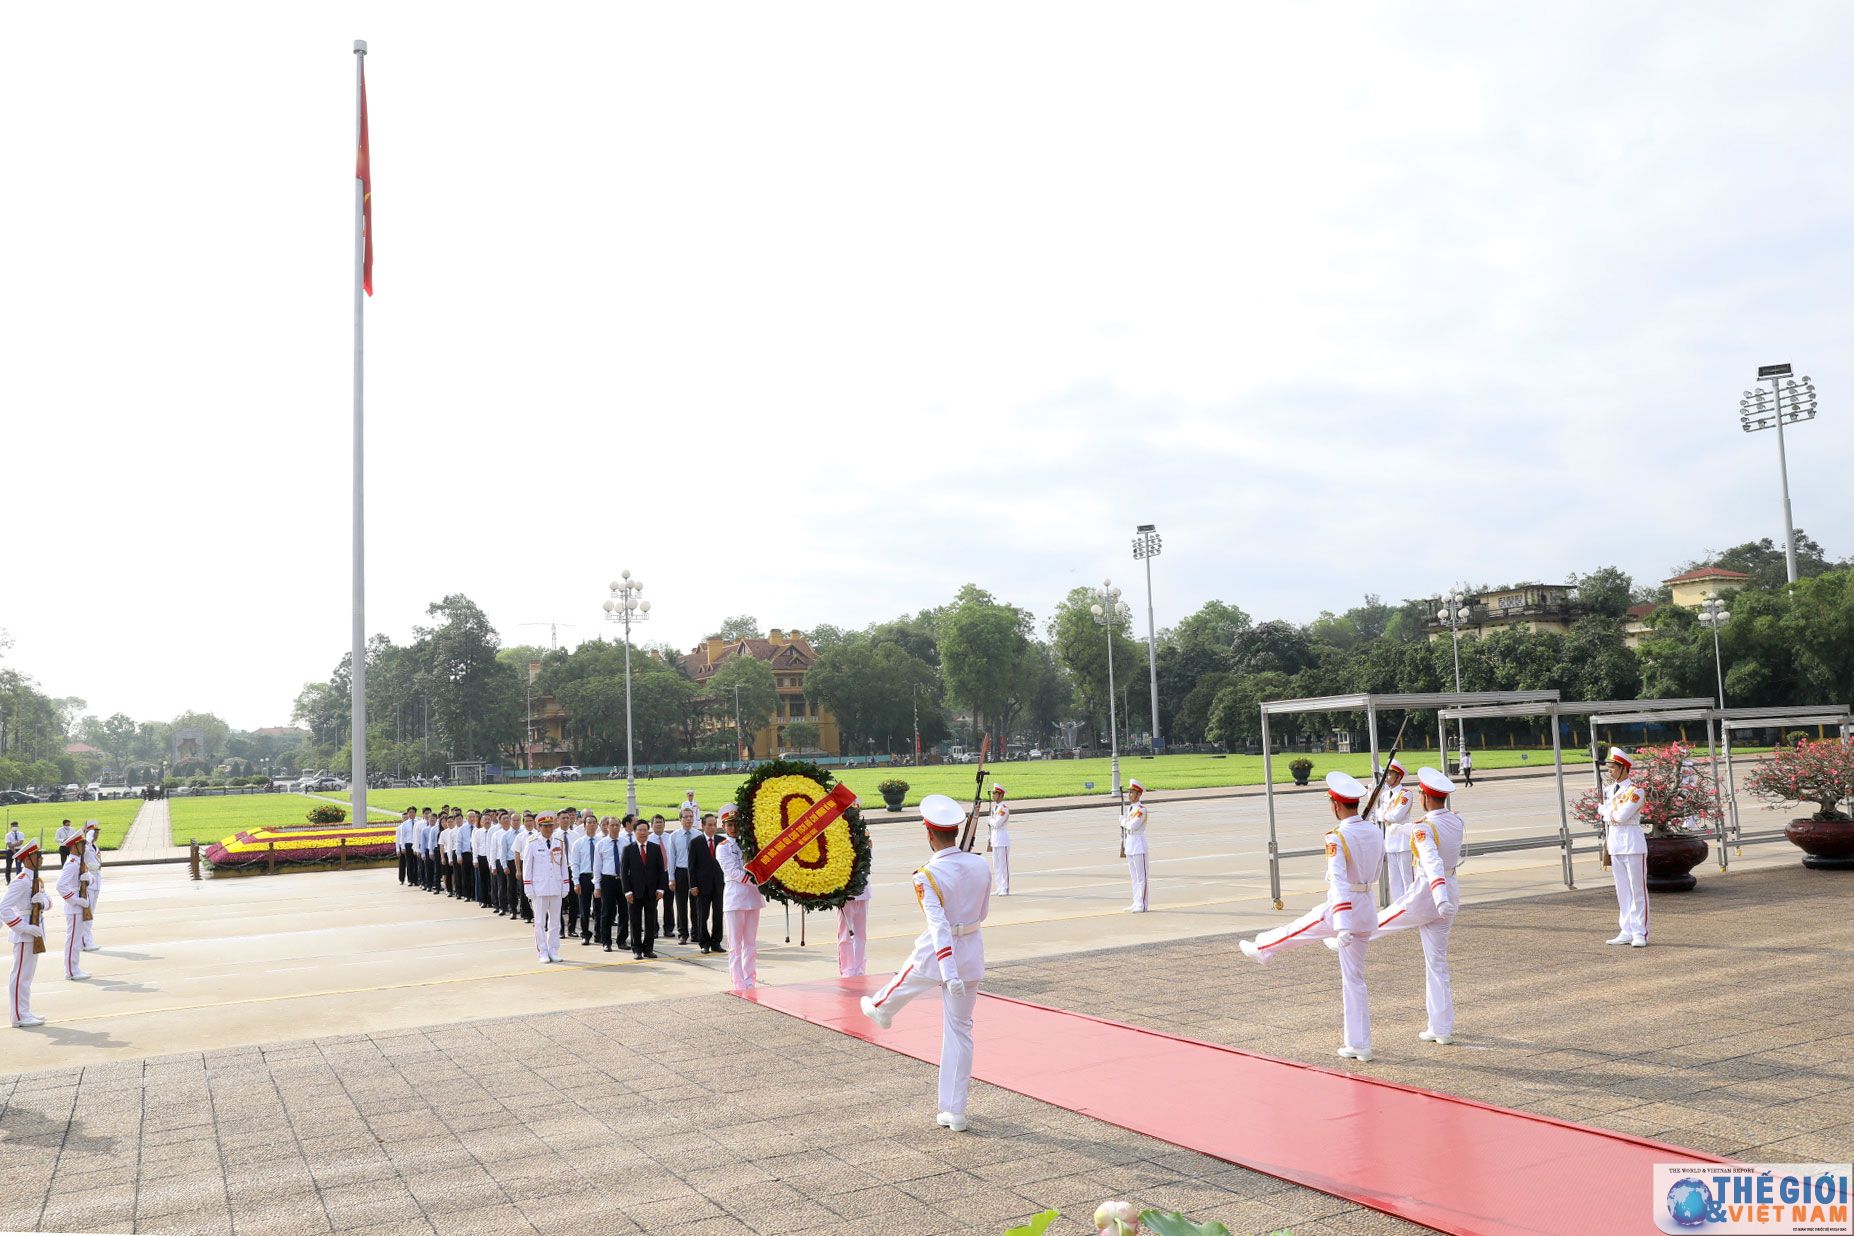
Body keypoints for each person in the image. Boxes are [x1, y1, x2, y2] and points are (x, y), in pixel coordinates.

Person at [860, 794, 992, 1132]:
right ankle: (955, 1111)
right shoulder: (979, 865)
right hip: (972, 949)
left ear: (929, 833)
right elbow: (982, 913)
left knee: (917, 966)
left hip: (942, 952)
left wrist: (949, 972)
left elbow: (939, 926)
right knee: (960, 1033)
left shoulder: (926, 875)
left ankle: (883, 1006)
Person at [1240, 771, 1384, 1062]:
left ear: (1335, 805)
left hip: (1344, 908)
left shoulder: (1337, 837)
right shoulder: (1374, 830)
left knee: (1298, 929)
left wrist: (1342, 925)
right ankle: (1359, 1044)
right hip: (1367, 907)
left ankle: (1262, 949)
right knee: (1354, 980)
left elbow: (1339, 882)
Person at [1350, 767, 1462, 1044]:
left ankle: (1351, 933)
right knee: (1436, 963)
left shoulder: (1425, 827)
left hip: (1429, 893)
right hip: (1450, 889)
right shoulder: (1456, 821)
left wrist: (1438, 896)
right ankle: (1441, 1028)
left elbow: (1432, 862)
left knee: (1385, 919)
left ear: (1424, 796)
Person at [1600, 749, 1648, 947]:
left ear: (1623, 768)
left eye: (1613, 768)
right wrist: (1608, 812)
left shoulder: (1635, 791)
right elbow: (1610, 814)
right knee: (1622, 890)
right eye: (1609, 768)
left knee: (1637, 890)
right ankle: (1626, 930)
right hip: (1615, 843)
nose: (1610, 771)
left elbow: (1620, 816)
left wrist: (1605, 811)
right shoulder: (1609, 790)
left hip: (1632, 842)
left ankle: (1639, 932)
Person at [717, 805, 762, 989]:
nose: (733, 828)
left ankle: (750, 978)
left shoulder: (749, 843)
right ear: (724, 826)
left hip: (752, 897)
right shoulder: (723, 847)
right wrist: (756, 880)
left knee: (750, 943)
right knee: (735, 944)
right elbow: (732, 871)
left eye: (736, 824)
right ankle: (738, 980)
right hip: (735, 897)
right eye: (729, 825)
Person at [4, 840, 48, 1027]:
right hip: (24, 933)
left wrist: (43, 902)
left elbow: (49, 902)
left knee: (27, 976)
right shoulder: (21, 881)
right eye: (38, 855)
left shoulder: (35, 879)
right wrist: (23, 928)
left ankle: (25, 1011)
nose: (41, 858)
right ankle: (18, 1017)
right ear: (28, 858)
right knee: (20, 975)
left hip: (36, 930)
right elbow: (3, 908)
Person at [521, 812, 570, 963]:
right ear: (539, 827)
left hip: (555, 885)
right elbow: (527, 867)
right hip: (539, 888)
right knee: (540, 922)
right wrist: (528, 888)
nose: (548, 829)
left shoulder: (558, 841)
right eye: (545, 826)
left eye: (550, 826)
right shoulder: (533, 842)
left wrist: (565, 885)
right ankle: (542, 951)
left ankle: (553, 950)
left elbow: (563, 865)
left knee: (555, 922)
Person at [621, 819, 666, 959]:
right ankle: (637, 949)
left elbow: (661, 870)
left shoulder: (655, 848)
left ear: (648, 831)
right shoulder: (628, 850)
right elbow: (623, 872)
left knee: (650, 921)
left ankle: (648, 949)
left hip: (652, 892)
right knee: (635, 921)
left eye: (645, 830)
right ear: (634, 832)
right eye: (639, 830)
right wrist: (627, 891)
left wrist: (661, 889)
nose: (642, 833)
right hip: (634, 892)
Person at [1371, 761, 1414, 901]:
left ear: (1399, 777)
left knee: (1407, 879)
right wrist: (1383, 815)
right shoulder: (1384, 795)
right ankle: (1398, 907)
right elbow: (1376, 814)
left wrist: (1382, 815)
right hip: (1390, 841)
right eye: (1387, 773)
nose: (1387, 776)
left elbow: (1396, 816)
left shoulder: (1405, 794)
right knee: (1394, 880)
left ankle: (1411, 907)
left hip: (1403, 842)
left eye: (1390, 774)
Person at [56, 836, 92, 982]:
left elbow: (90, 879)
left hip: (80, 905)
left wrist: (87, 879)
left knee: (76, 939)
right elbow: (60, 886)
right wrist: (77, 900)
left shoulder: (79, 862)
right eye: (81, 844)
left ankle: (75, 967)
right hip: (75, 907)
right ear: (73, 847)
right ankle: (71, 970)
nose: (83, 847)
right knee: (73, 940)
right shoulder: (71, 864)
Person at [687, 814, 724, 954]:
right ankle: (704, 943)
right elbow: (691, 866)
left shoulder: (722, 841)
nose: (712, 827)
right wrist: (693, 885)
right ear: (703, 826)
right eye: (709, 825)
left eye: (714, 824)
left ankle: (716, 942)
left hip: (719, 884)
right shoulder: (695, 842)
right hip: (702, 886)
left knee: (718, 914)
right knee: (702, 914)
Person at [838, 835, 872, 976]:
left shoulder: (864, 835)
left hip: (863, 890)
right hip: (846, 892)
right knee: (845, 935)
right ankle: (848, 970)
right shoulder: (839, 836)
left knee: (861, 934)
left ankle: (859, 970)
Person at [666, 809, 697, 945]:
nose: (689, 819)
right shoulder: (674, 836)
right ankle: (683, 933)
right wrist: (671, 877)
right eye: (686, 817)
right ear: (680, 819)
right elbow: (671, 858)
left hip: (695, 872)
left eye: (691, 816)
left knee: (696, 904)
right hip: (680, 872)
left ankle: (696, 932)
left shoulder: (698, 835)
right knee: (681, 904)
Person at [594, 818, 623, 950]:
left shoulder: (626, 843)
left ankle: (622, 940)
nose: (615, 827)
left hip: (623, 880)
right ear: (607, 827)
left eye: (617, 825)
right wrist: (597, 886)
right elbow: (597, 866)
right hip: (607, 880)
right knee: (607, 912)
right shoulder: (601, 844)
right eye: (612, 825)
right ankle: (606, 941)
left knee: (624, 912)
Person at [570, 815, 599, 946]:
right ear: (584, 826)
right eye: (589, 823)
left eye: (594, 823)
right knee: (584, 908)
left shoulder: (601, 841)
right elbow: (574, 864)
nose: (592, 825)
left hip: (598, 877)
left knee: (600, 908)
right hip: (584, 877)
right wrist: (576, 882)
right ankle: (585, 934)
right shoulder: (579, 843)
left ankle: (599, 934)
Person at [1121, 779, 1149, 913]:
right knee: (1133, 876)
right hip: (1130, 844)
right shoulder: (1130, 809)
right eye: (1129, 792)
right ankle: (1136, 902)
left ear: (1138, 795)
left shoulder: (1141, 810)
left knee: (1141, 877)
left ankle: (1142, 904)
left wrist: (1123, 822)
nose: (1129, 794)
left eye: (1132, 792)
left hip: (1139, 844)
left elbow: (1133, 825)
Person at [649, 816, 676, 941]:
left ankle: (669, 928)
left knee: (669, 903)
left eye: (661, 822)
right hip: (654, 876)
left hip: (667, 873)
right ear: (652, 825)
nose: (659, 824)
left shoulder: (670, 838)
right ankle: (653, 929)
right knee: (652, 903)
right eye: (656, 822)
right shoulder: (648, 839)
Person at [80, 824, 102, 952]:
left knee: (91, 913)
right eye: (94, 832)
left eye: (97, 832)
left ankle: (88, 940)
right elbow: (84, 853)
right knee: (87, 913)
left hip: (96, 882)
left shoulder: (94, 846)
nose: (96, 835)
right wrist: (87, 838)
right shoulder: (86, 845)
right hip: (89, 883)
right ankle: (85, 942)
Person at [987, 783, 1012, 896]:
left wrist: (989, 820)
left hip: (1002, 840)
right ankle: (999, 887)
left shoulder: (1003, 809)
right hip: (995, 840)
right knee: (996, 865)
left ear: (1000, 795)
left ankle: (1005, 887)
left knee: (1003, 865)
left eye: (994, 793)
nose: (993, 795)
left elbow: (996, 823)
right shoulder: (994, 808)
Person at [395, 807, 415, 885]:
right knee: (402, 864)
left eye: (406, 817)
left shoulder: (414, 823)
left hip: (411, 845)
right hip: (402, 846)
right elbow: (398, 839)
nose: (405, 819)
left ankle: (413, 879)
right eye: (404, 818)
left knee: (411, 863)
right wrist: (398, 849)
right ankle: (401, 878)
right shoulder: (400, 827)